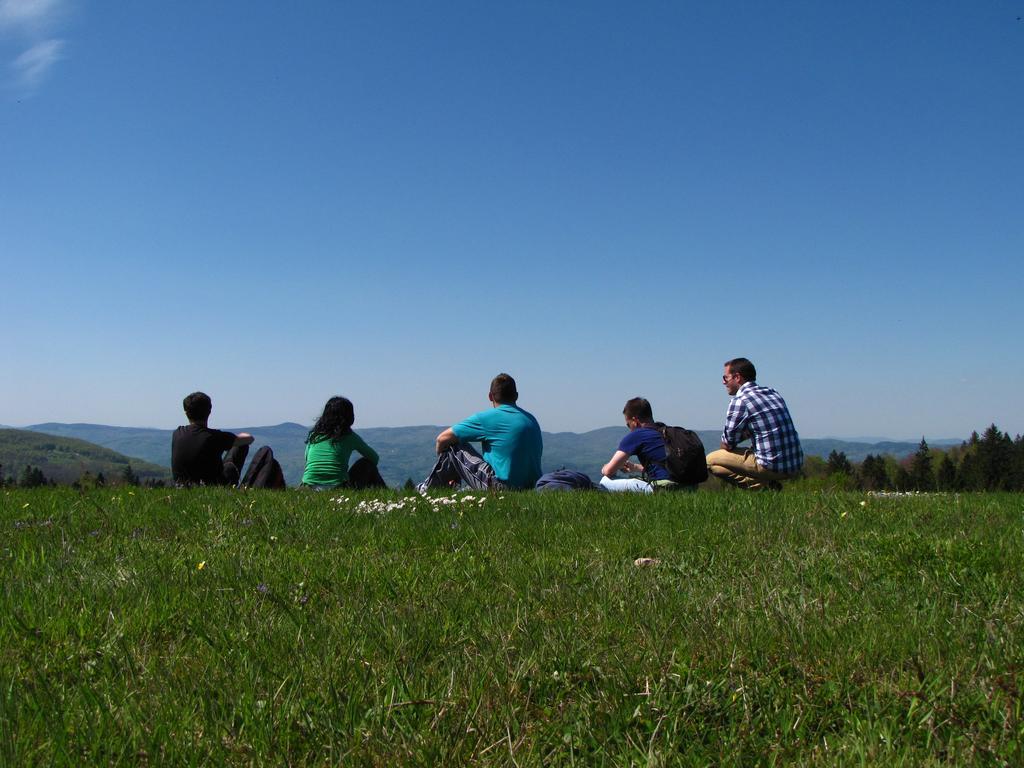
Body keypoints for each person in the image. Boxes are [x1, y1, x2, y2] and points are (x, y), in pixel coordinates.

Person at [421, 373, 543, 490]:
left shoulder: (488, 418)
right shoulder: (531, 419)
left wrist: (447, 463)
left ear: (490, 396)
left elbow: (442, 439)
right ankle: (442, 487)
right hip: (533, 487)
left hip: (501, 487)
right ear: (516, 396)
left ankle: (427, 489)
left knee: (452, 446)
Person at [706, 358, 803, 490]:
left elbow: (727, 443)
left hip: (770, 466)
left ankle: (761, 486)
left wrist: (744, 434)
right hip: (795, 464)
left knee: (710, 461)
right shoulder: (773, 392)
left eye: (725, 377)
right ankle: (767, 484)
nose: (723, 382)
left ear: (737, 377)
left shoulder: (740, 400)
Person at [599, 397, 684, 493]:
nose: (629, 428)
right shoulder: (666, 432)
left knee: (604, 482)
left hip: (663, 489)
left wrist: (604, 468)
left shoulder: (637, 435)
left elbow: (608, 471)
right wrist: (635, 467)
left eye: (628, 424)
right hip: (687, 487)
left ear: (635, 421)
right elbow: (666, 466)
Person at [171, 391, 254, 486]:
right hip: (213, 485)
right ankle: (246, 486)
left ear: (186, 413)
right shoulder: (214, 436)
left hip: (181, 486)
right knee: (244, 445)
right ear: (209, 411)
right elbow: (249, 439)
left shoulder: (177, 433)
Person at [301, 396, 385, 489]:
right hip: (338, 487)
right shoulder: (350, 436)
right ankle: (386, 498)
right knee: (366, 463)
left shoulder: (314, 435)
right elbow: (374, 458)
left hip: (308, 487)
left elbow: (307, 458)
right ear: (349, 416)